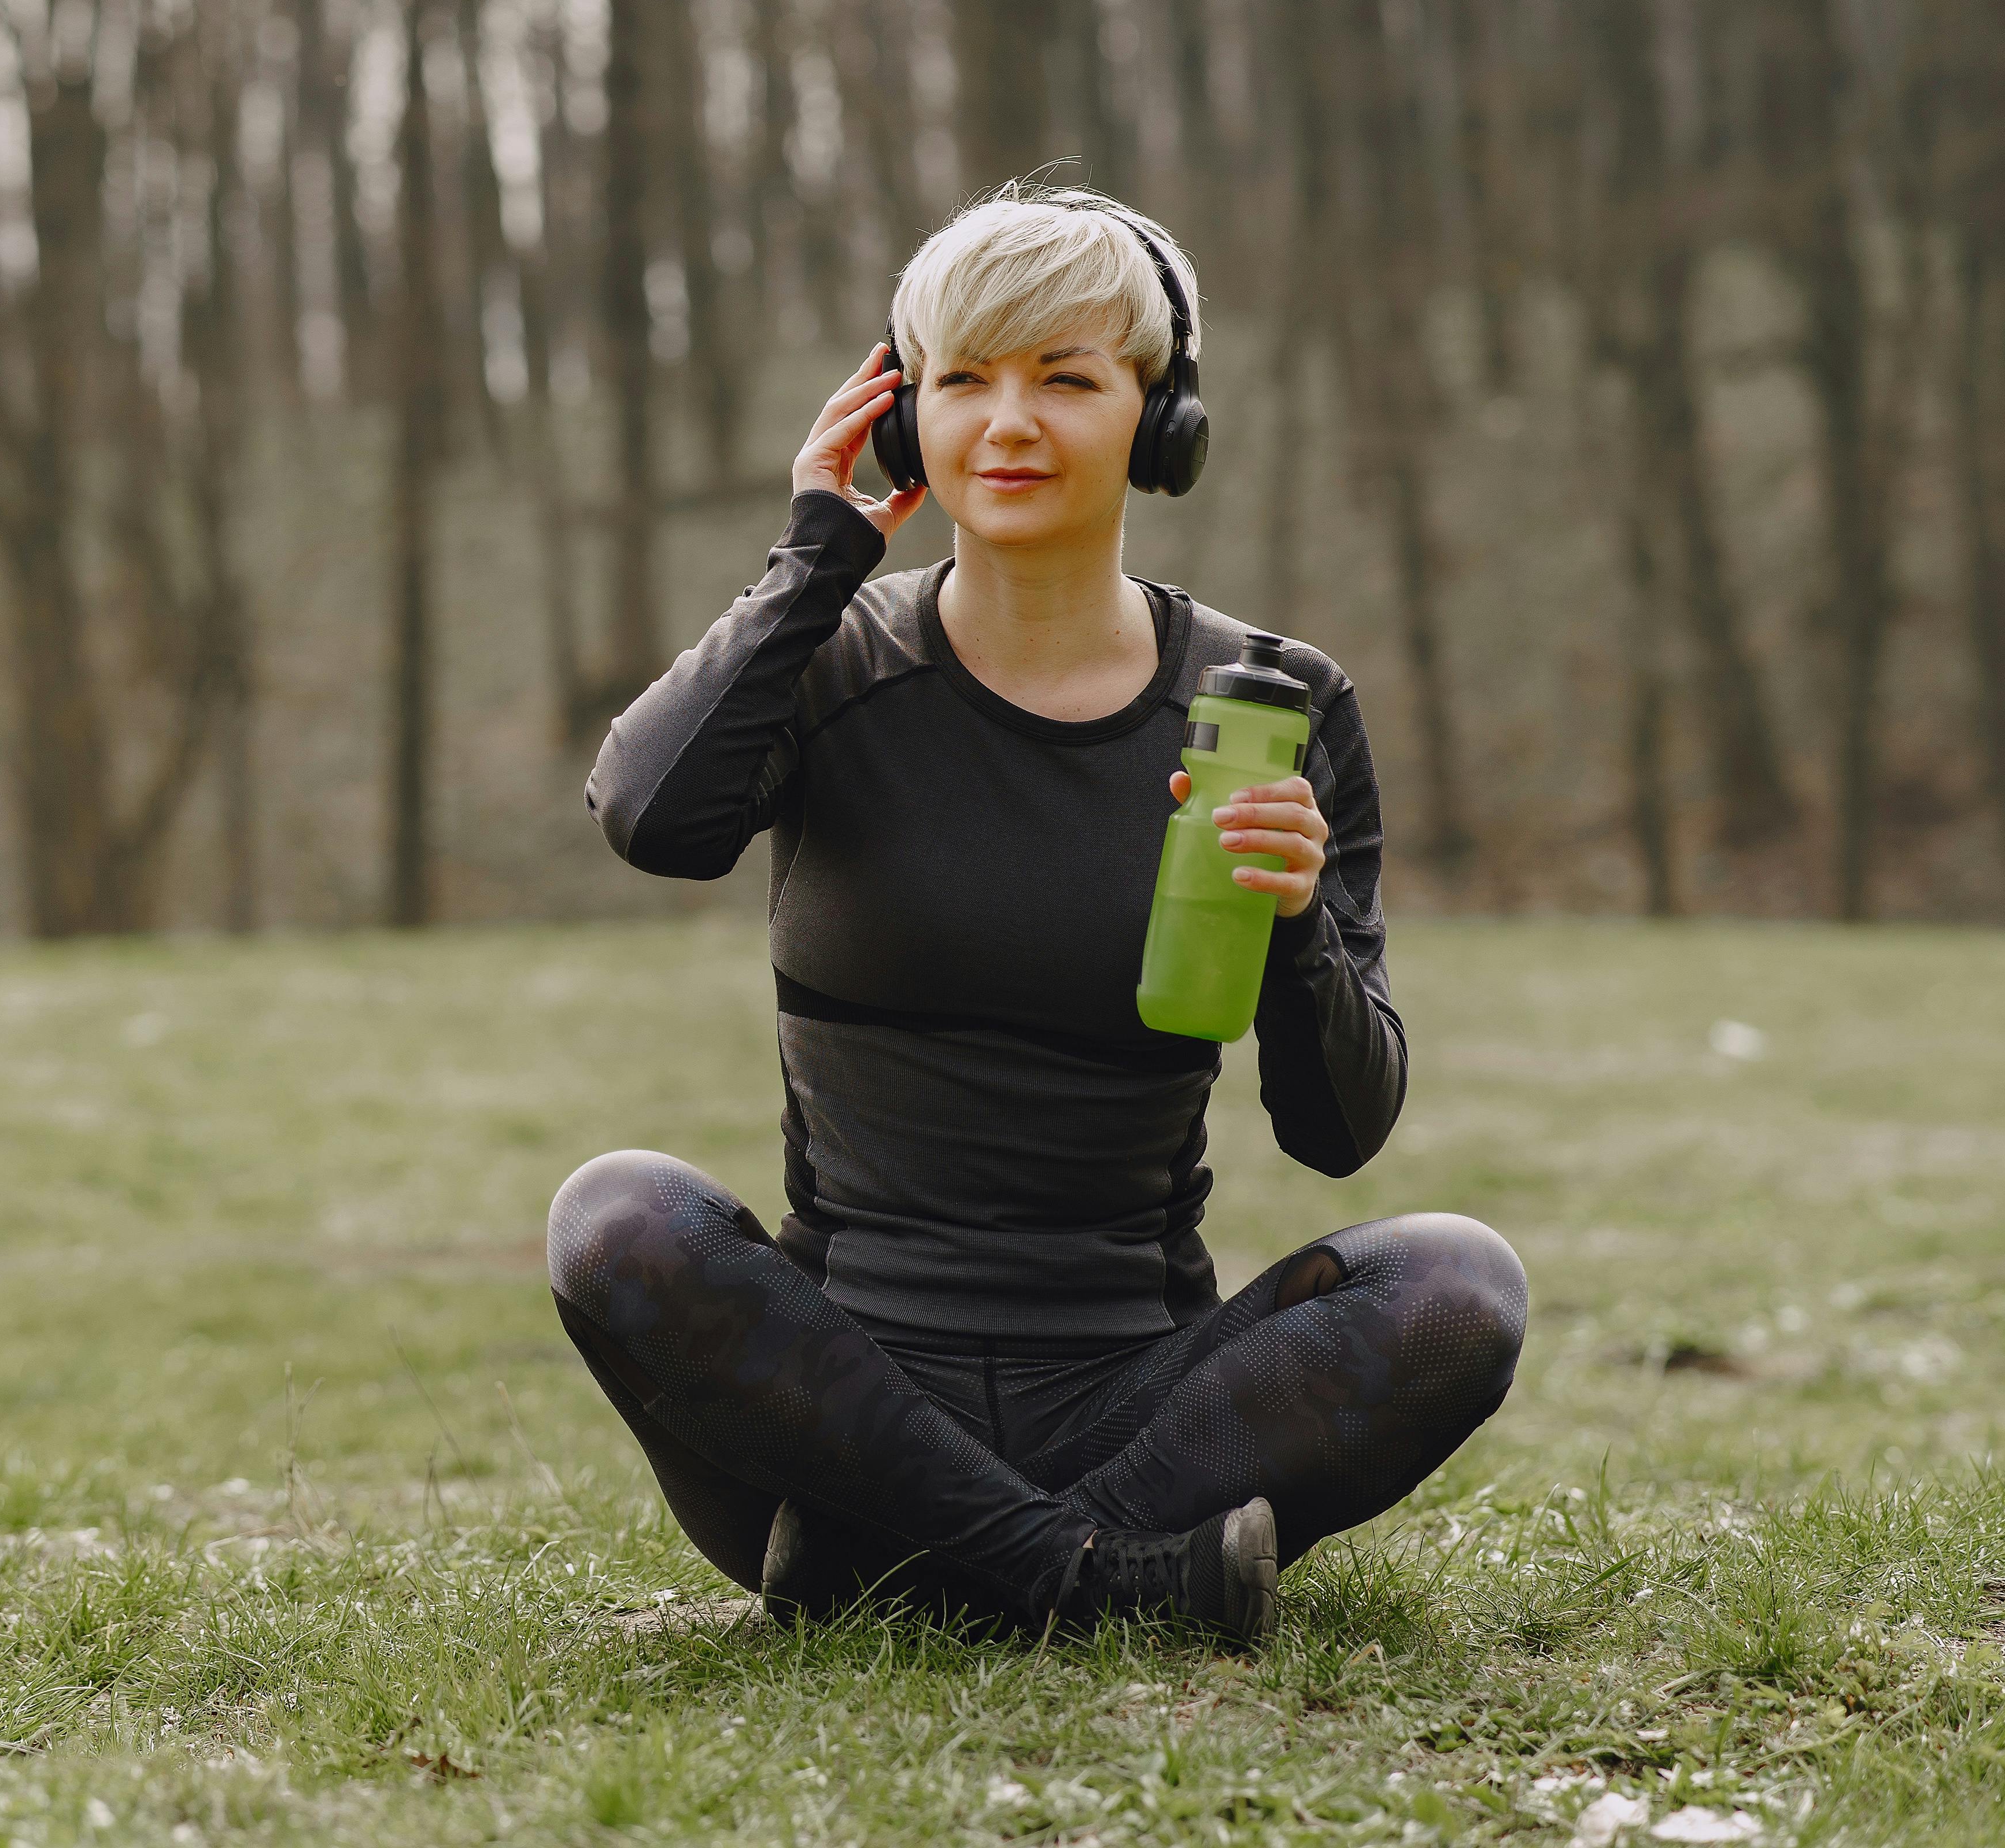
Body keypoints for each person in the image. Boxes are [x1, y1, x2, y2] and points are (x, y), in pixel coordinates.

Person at [545, 186, 1524, 1646]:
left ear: (1159, 415)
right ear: (901, 413)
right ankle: (1091, 1579)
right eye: (963, 379)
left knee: (1458, 1283)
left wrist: (1300, 924)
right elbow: (649, 816)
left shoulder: (1275, 703)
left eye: (1065, 378)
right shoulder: (822, 664)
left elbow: (1338, 1126)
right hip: (837, 1397)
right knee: (616, 1215)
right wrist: (814, 554)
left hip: (1143, 1401)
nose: (1009, 422)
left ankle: (910, 1573)